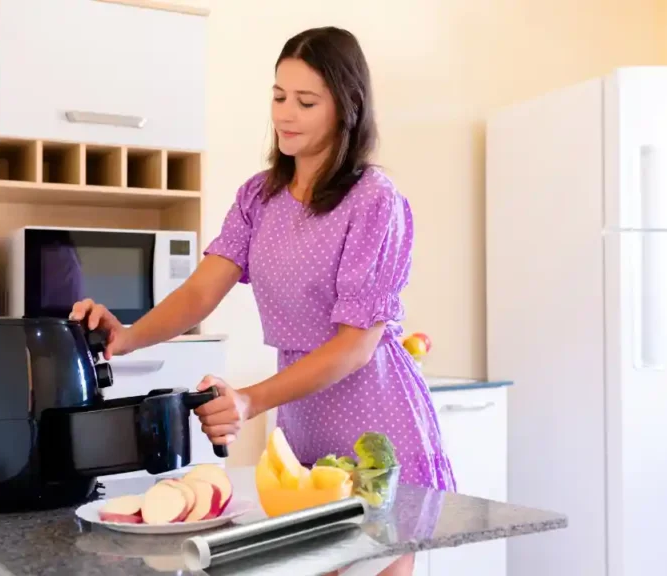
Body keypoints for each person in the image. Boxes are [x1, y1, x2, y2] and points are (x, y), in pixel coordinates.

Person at [70, 26, 454, 576]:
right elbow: (201, 291)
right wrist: (126, 336)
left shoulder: (374, 199)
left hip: (375, 416)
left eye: (305, 101)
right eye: (278, 97)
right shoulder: (259, 196)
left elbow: (354, 347)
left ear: (347, 108)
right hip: (302, 420)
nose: (285, 115)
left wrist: (249, 401)